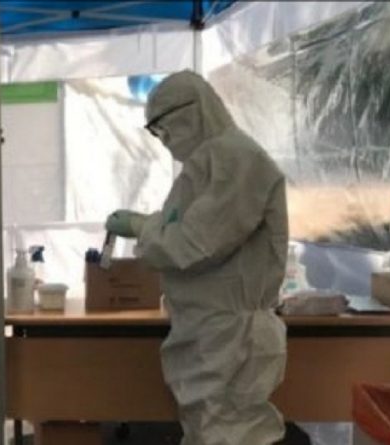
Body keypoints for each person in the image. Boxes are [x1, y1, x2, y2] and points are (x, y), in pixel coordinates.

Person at [105, 70, 289, 445]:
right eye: (155, 132)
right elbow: (188, 227)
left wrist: (143, 227)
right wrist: (152, 225)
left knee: (230, 435)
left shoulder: (236, 159)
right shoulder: (209, 162)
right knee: (212, 432)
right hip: (211, 333)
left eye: (163, 128)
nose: (164, 139)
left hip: (230, 338)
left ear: (193, 111)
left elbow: (194, 244)